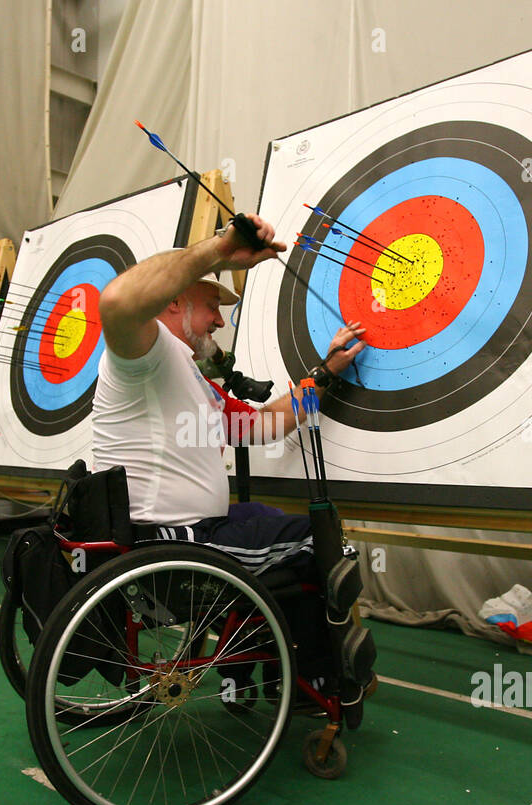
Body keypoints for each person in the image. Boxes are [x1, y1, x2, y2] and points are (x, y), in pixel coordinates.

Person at [93, 215, 370, 703]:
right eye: (211, 307)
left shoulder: (192, 376)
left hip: (194, 532)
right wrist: (221, 249)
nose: (220, 321)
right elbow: (116, 301)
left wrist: (326, 372)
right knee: (322, 545)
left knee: (264, 518)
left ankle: (244, 674)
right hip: (173, 546)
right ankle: (318, 682)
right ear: (174, 301)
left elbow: (267, 424)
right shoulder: (145, 354)